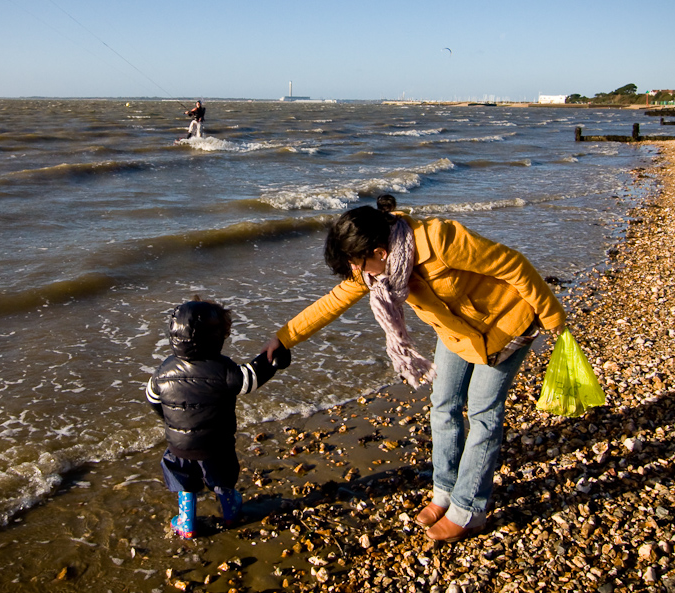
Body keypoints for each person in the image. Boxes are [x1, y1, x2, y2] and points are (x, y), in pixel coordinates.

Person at [263, 204, 565, 542]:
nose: (353, 270)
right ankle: (445, 492)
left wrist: (553, 319)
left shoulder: (440, 239)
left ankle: (469, 510)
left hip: (506, 325)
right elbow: (333, 301)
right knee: (444, 404)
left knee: (483, 413)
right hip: (455, 332)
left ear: (379, 251)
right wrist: (284, 337)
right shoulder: (374, 269)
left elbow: (513, 265)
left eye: (354, 262)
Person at [147, 299, 291, 538]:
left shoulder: (162, 371)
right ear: (216, 338)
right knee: (222, 479)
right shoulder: (223, 369)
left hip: (178, 446)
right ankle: (231, 511)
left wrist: (173, 421)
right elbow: (250, 378)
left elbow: (153, 399)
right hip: (216, 446)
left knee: (185, 484)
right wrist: (271, 362)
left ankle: (187, 523)